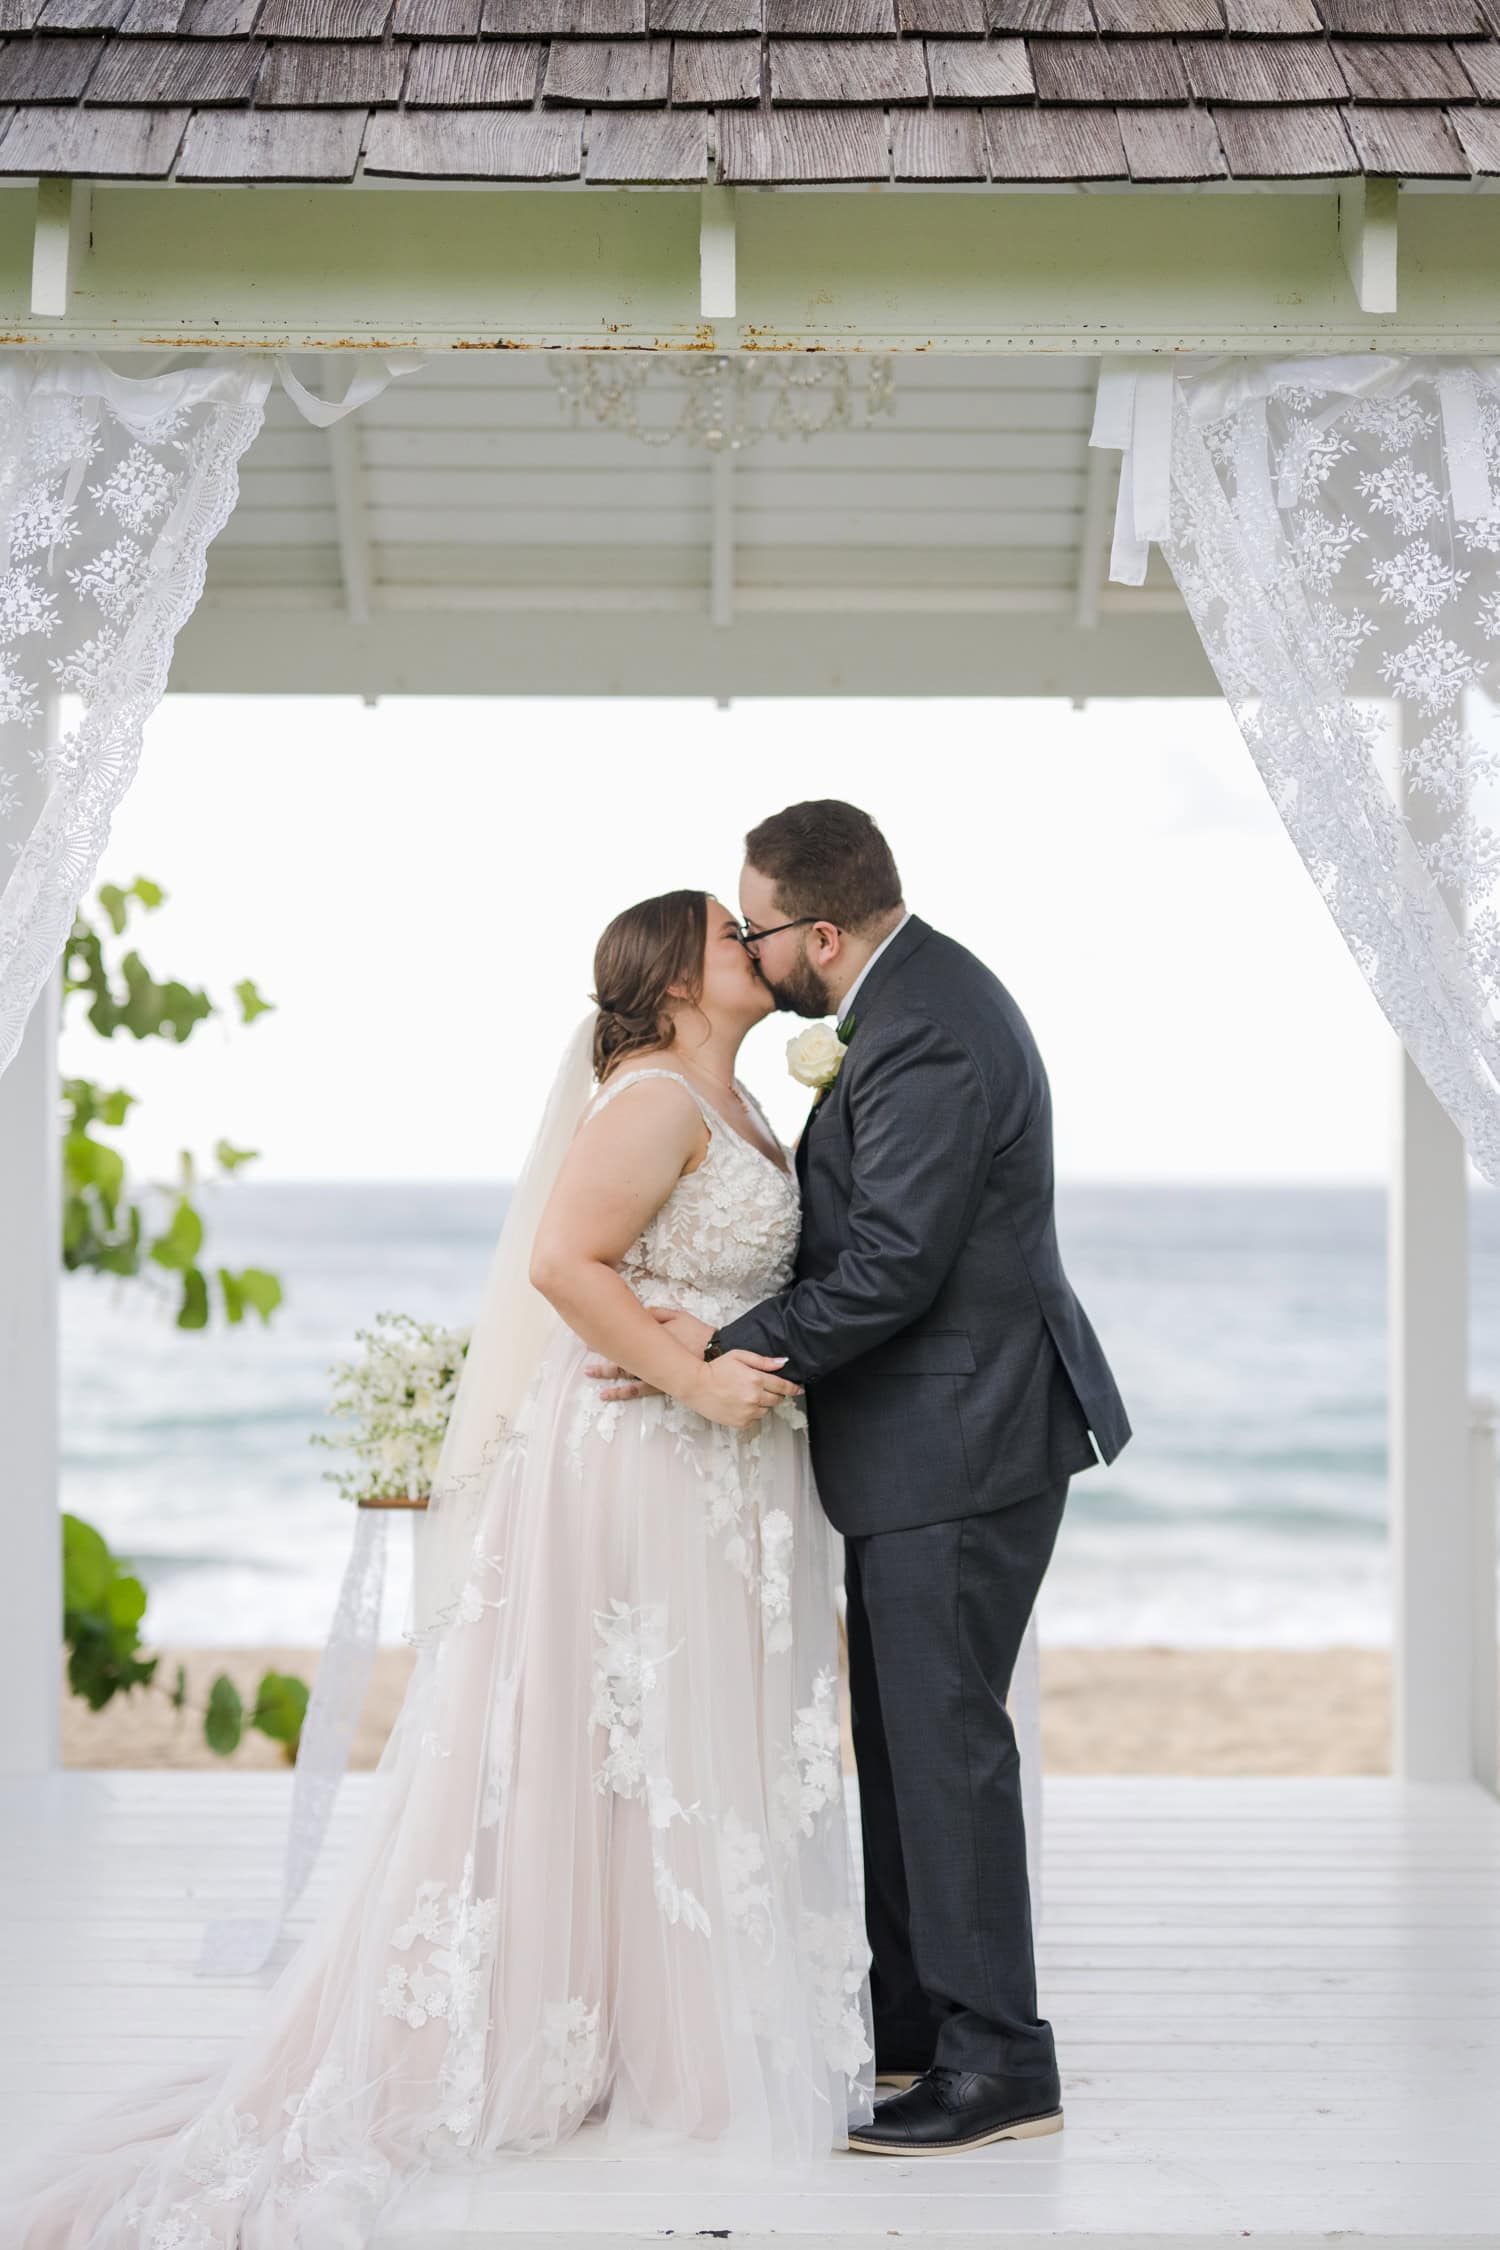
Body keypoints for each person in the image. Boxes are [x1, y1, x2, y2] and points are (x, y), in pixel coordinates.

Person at [0, 887, 874, 2248]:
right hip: (645, 1457)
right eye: (722, 929)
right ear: (675, 975)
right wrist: (691, 1381)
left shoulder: (744, 1106)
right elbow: (560, 1262)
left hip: (723, 1471)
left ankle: (682, 2018)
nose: (748, 942)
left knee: (679, 1750)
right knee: (633, 1733)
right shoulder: (650, 1099)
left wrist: (714, 1344)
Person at [596, 803, 1131, 2155]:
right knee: (907, 1745)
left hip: (963, 1438)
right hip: (932, 1441)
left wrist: (713, 1348)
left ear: (820, 933)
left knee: (943, 1750)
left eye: (756, 925)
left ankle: (999, 2061)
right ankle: (919, 2038)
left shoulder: (932, 1025)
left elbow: (891, 1262)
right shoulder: (907, 1006)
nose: (752, 950)